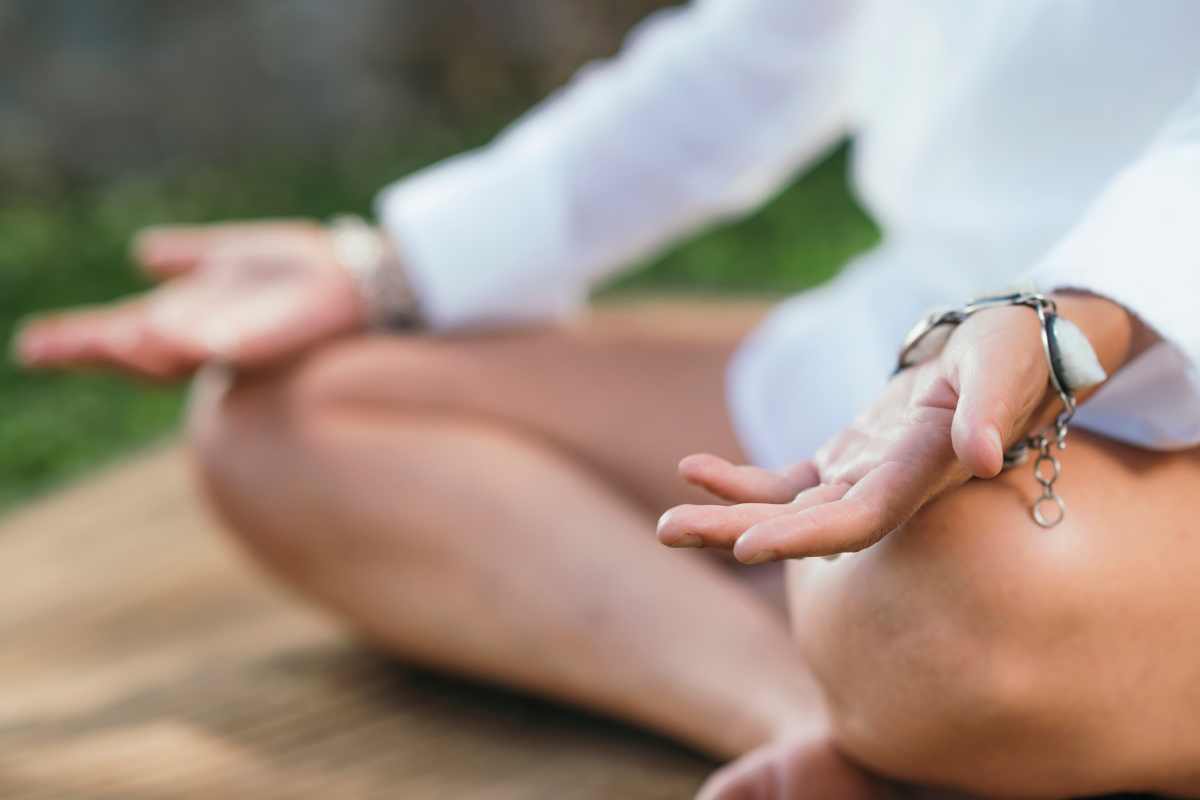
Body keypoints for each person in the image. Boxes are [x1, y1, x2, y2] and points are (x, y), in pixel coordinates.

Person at [15, 0, 1200, 796]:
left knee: (934, 616)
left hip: (1160, 386)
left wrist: (1068, 317)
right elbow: (760, 46)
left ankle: (876, 681)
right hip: (899, 350)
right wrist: (392, 263)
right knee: (286, 417)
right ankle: (793, 722)